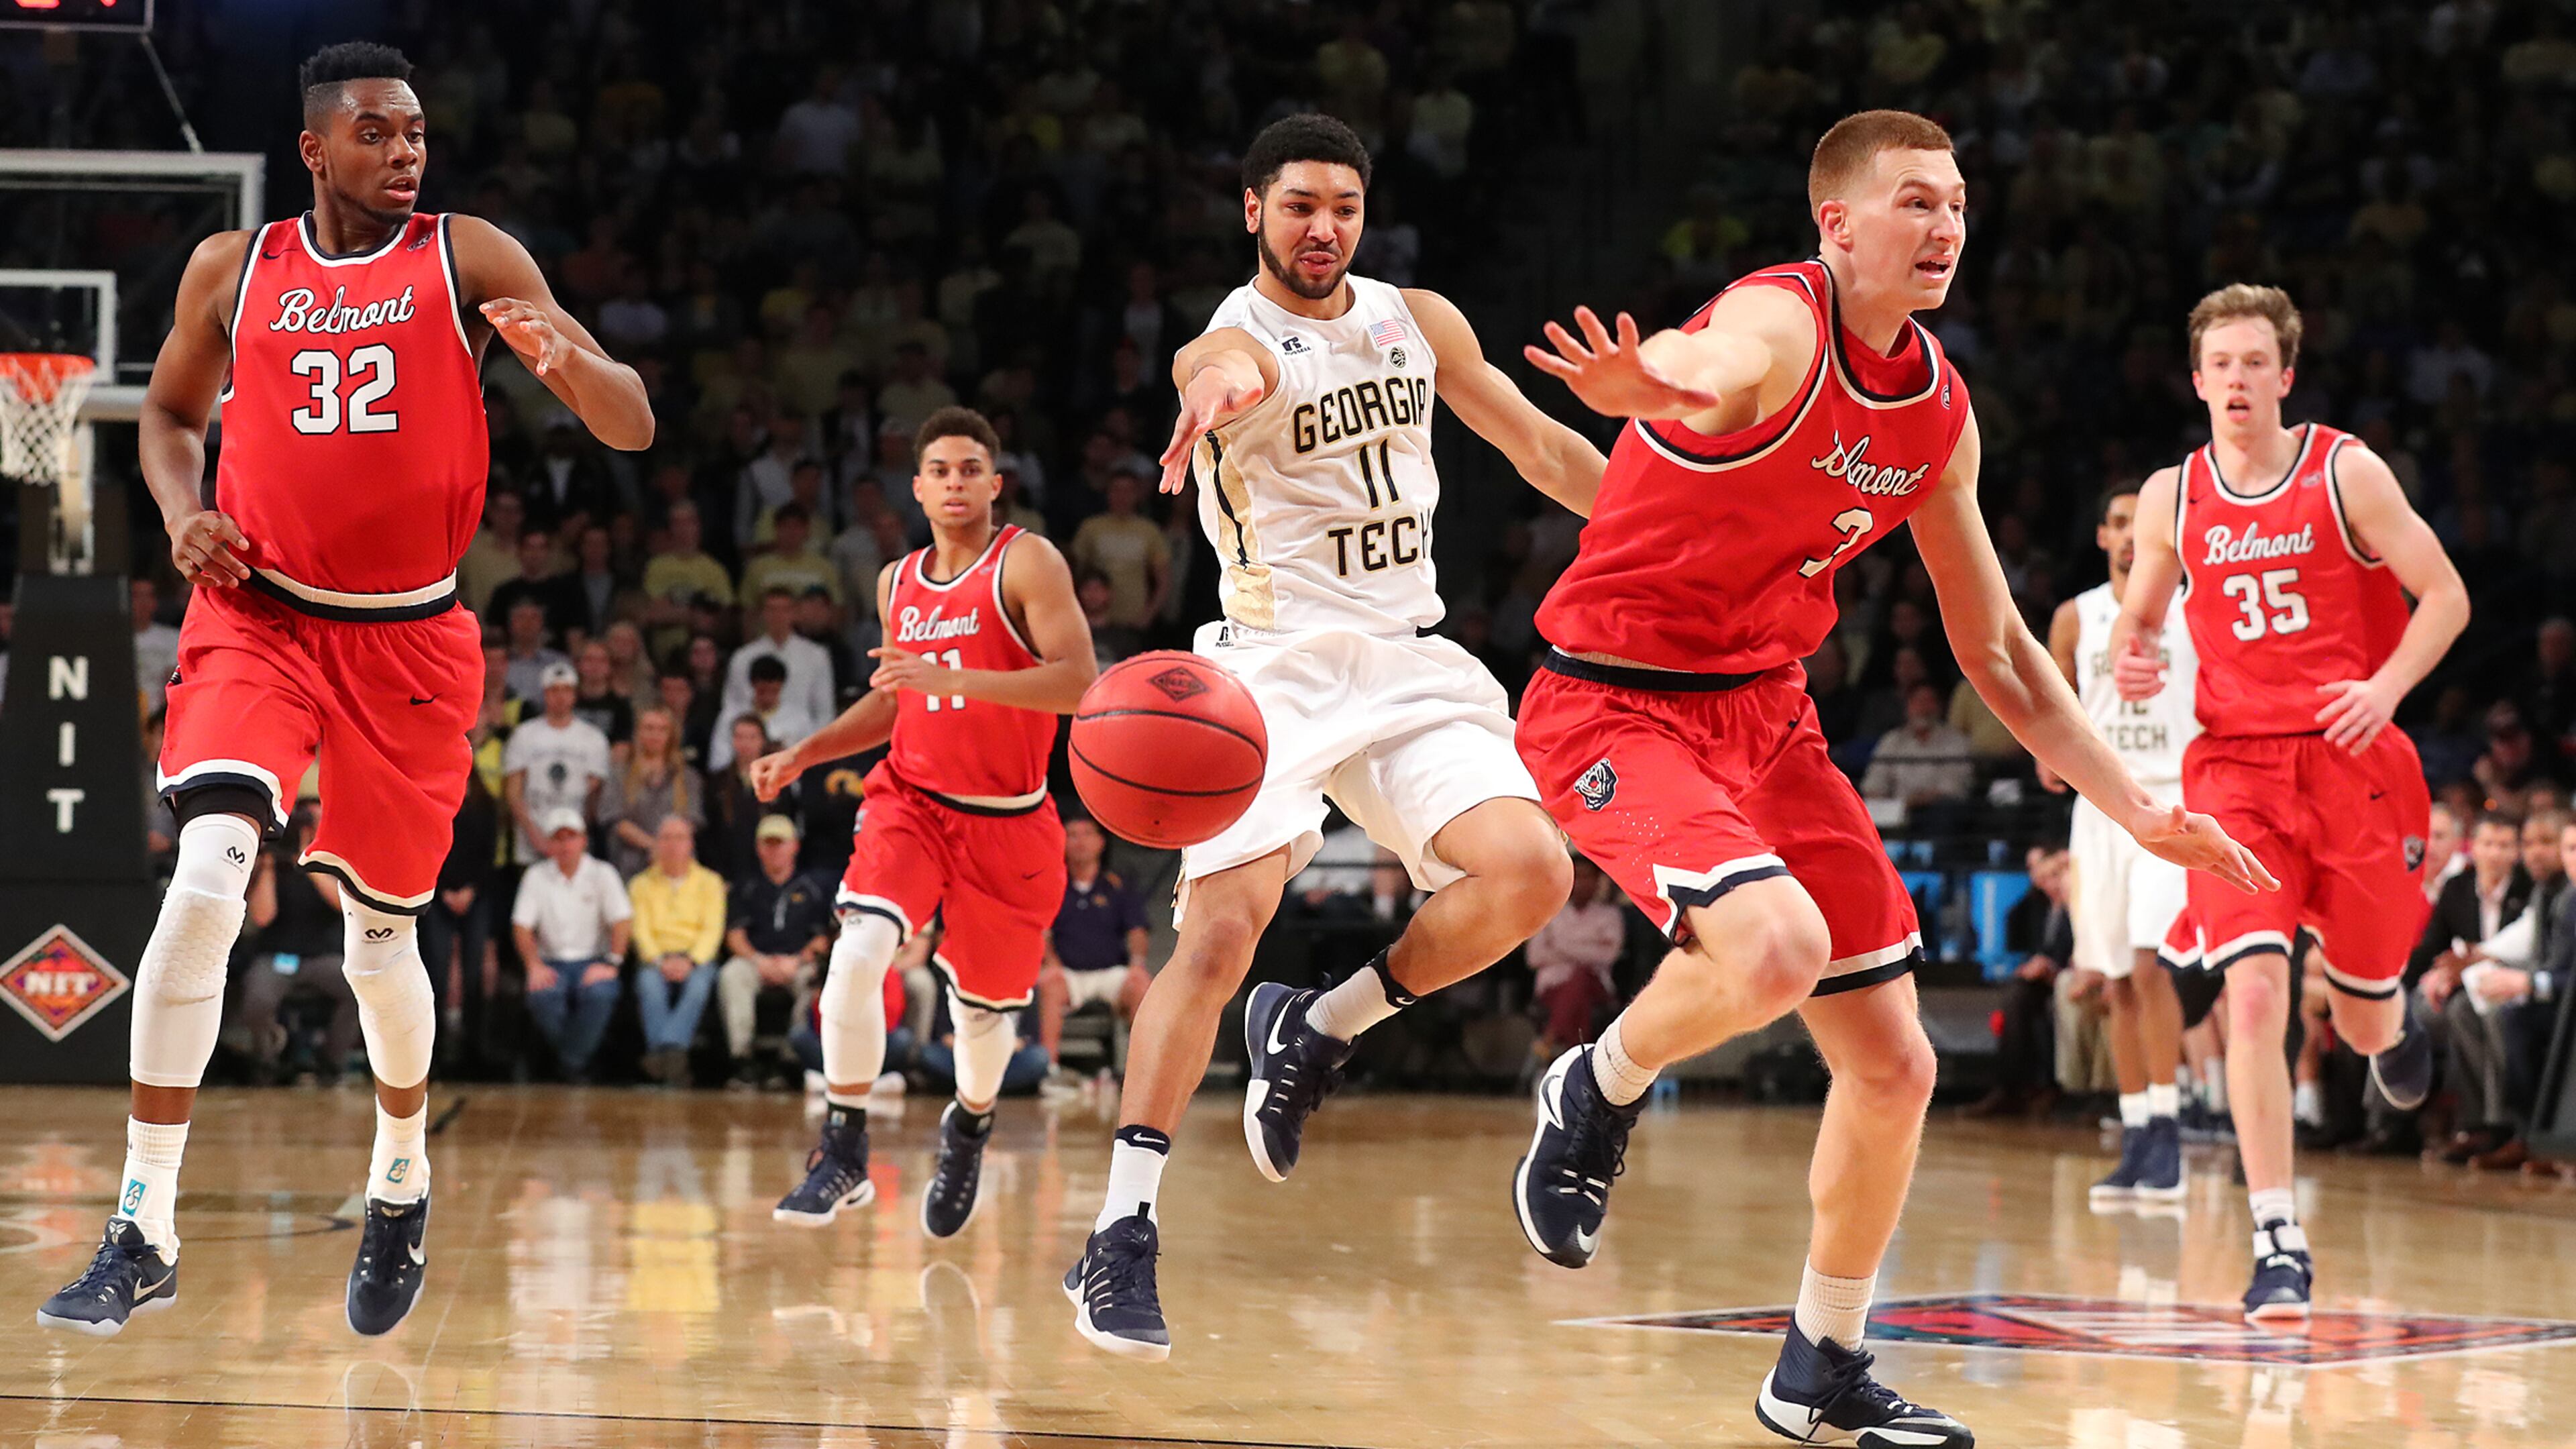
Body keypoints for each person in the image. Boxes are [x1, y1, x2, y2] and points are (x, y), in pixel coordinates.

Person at [1509, 111, 2268, 1443]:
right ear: (1838, 224)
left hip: (1771, 719)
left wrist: (2142, 811)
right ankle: (1598, 1082)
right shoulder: (1780, 325)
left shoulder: (1935, 411)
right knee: (1774, 949)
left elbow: (2007, 659)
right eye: (1915, 203)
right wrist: (1658, 383)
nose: (1945, 229)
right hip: (1613, 707)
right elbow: (1713, 358)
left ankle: (1822, 1361)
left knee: (1895, 1065)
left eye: (1959, 206)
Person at [40, 42, 652, 1340]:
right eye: (376, 133)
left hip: (407, 645)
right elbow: (165, 419)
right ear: (316, 150)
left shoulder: (468, 252)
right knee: (207, 873)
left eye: (417, 132)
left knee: (379, 946)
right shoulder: (236, 268)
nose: (405, 151)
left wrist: (569, 366)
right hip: (257, 616)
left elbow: (632, 421)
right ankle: (142, 1221)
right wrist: (182, 510)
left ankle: (401, 1175)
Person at [1066, 115, 1595, 1363]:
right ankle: (1120, 1233)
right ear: (1253, 210)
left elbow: (1534, 441)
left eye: (1345, 208)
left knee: (1532, 874)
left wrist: (1669, 514)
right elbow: (1221, 365)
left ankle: (1323, 1027)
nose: (1324, 228)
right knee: (1221, 934)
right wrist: (1209, 395)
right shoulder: (1236, 338)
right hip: (1271, 673)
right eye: (1300, 205)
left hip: (1405, 658)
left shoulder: (1421, 319)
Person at [2112, 282, 2469, 1322]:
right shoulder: (2174, 493)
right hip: (2236, 775)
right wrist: (2138, 658)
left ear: (2285, 375)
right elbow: (2140, 616)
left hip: (2353, 761)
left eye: (2252, 362)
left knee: (2360, 1026)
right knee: (2255, 995)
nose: (2234, 379)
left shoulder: (2345, 470)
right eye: (2218, 364)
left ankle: (2390, 1024)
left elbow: (2445, 593)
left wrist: (2387, 685)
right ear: (2197, 380)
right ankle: (2278, 1238)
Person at [751, 406, 1095, 1238]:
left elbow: (1080, 682)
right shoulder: (896, 580)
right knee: (858, 953)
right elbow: (896, 697)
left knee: (984, 1028)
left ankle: (968, 1127)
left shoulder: (1028, 563)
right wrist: (807, 753)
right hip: (910, 800)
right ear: (917, 486)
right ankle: (843, 1150)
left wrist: (960, 674)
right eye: (939, 469)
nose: (954, 483)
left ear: (995, 483)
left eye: (970, 469)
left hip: (1010, 823)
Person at [2044, 485, 2200, 1208]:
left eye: (2142, 523)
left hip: (2172, 799)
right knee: (2112, 979)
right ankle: (2138, 1137)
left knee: (2149, 965)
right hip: (2100, 806)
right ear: (2103, 537)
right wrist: (2046, 752)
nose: (2130, 536)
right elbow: (2047, 703)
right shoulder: (2075, 618)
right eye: (2116, 523)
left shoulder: (2195, 604)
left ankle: (2168, 1130)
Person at [511, 808, 632, 1083]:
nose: (565, 845)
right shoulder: (536, 876)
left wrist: (612, 963)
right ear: (549, 844)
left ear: (584, 841)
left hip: (594, 960)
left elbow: (622, 920)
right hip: (551, 962)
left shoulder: (604, 874)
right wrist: (533, 965)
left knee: (601, 993)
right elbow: (522, 926)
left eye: (571, 837)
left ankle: (568, 1064)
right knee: (543, 996)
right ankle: (578, 1064)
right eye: (559, 838)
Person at [718, 814, 835, 1087]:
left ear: (794, 846)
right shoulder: (745, 887)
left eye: (780, 843)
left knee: (815, 977)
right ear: (758, 848)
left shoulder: (813, 888)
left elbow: (822, 939)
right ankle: (742, 1057)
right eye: (768, 844)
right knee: (732, 975)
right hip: (755, 960)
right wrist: (759, 961)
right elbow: (734, 936)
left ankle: (790, 1058)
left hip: (798, 961)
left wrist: (796, 961)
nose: (774, 850)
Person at [1035, 815, 1152, 1077]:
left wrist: (1137, 965)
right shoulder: (1051, 884)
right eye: (1073, 835)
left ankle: (1142, 1075)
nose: (1080, 842)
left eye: (1087, 834)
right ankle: (1048, 1071)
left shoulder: (1118, 885)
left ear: (1101, 842)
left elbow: (1137, 930)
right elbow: (1042, 932)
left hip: (1111, 973)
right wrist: (1051, 963)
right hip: (1068, 974)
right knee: (1048, 982)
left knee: (1141, 984)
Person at [626, 814, 727, 1086]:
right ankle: (675, 1061)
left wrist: (691, 961)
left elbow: (712, 930)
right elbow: (640, 931)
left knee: (698, 988)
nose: (672, 845)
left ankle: (662, 1055)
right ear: (656, 844)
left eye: (679, 838)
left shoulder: (710, 882)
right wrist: (660, 961)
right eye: (666, 838)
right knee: (649, 986)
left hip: (697, 959)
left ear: (691, 844)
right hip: (655, 959)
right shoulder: (640, 884)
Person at [502, 662, 613, 867]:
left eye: (566, 690)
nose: (561, 696)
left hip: (576, 845)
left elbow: (594, 799)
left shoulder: (593, 738)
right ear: (545, 694)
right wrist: (537, 838)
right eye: (554, 690)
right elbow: (514, 793)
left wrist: (574, 839)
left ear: (575, 694)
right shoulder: (524, 735)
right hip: (532, 845)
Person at [600, 705, 703, 877]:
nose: (655, 735)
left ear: (671, 735)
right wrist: (653, 846)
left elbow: (692, 819)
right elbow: (614, 819)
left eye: (662, 729)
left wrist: (668, 846)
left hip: (678, 864)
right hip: (631, 865)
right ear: (638, 732)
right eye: (649, 728)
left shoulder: (688, 777)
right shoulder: (619, 774)